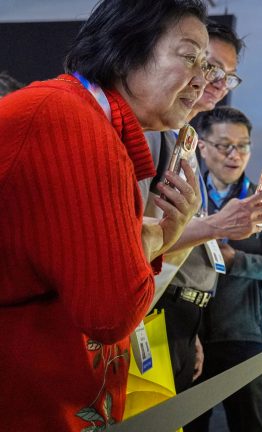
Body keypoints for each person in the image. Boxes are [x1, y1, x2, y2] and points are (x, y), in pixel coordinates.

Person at [0, 1, 207, 430]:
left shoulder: (87, 121)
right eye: (190, 57)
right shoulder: (71, 120)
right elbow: (110, 312)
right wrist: (157, 239)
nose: (202, 81)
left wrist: (159, 237)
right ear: (126, 49)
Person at [143, 20, 262, 399]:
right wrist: (219, 225)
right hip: (144, 311)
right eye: (206, 65)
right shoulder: (151, 130)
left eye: (227, 76)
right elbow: (140, 236)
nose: (216, 82)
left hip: (180, 313)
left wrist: (190, 328)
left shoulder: (183, 135)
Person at [186, 106, 262, 432]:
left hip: (243, 337)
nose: (234, 155)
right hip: (189, 334)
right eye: (224, 145)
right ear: (202, 146)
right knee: (188, 424)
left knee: (249, 424)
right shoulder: (187, 197)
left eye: (243, 145)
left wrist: (236, 260)